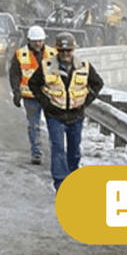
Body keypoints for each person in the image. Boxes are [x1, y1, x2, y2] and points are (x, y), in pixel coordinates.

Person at [28, 31, 104, 191]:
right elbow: (33, 84)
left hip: (76, 115)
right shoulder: (47, 67)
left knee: (74, 151)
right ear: (57, 50)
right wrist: (46, 103)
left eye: (68, 50)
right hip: (55, 115)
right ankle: (60, 184)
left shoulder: (85, 67)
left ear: (73, 50)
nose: (65, 54)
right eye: (61, 51)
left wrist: (86, 101)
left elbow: (98, 83)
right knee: (58, 149)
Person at [7, 25, 55, 165]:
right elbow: (14, 75)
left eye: (40, 41)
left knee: (54, 126)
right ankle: (36, 154)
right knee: (34, 126)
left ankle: (56, 154)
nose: (38, 44)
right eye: (35, 41)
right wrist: (16, 92)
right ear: (29, 41)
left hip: (49, 97)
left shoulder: (53, 54)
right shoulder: (20, 55)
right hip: (30, 97)